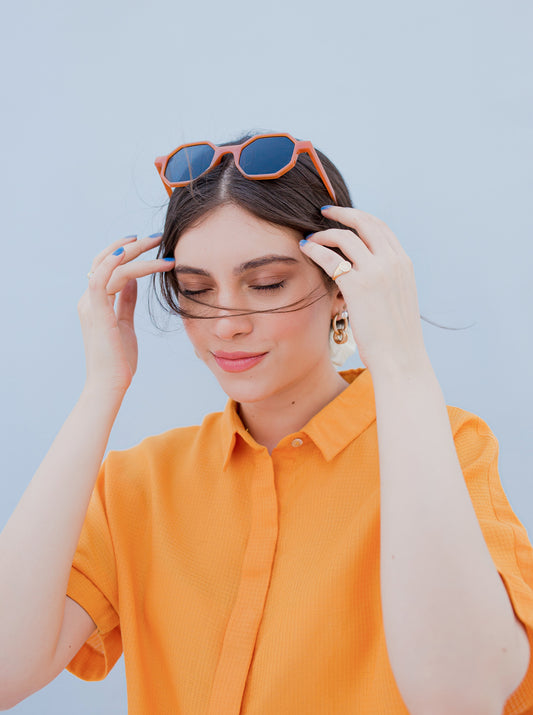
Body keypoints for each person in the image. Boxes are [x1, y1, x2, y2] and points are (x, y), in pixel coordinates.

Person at [1, 132, 533, 715]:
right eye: (196, 290)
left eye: (267, 285)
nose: (225, 322)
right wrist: (100, 390)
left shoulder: (448, 448)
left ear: (341, 286)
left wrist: (401, 358)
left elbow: (460, 695)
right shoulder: (140, 483)